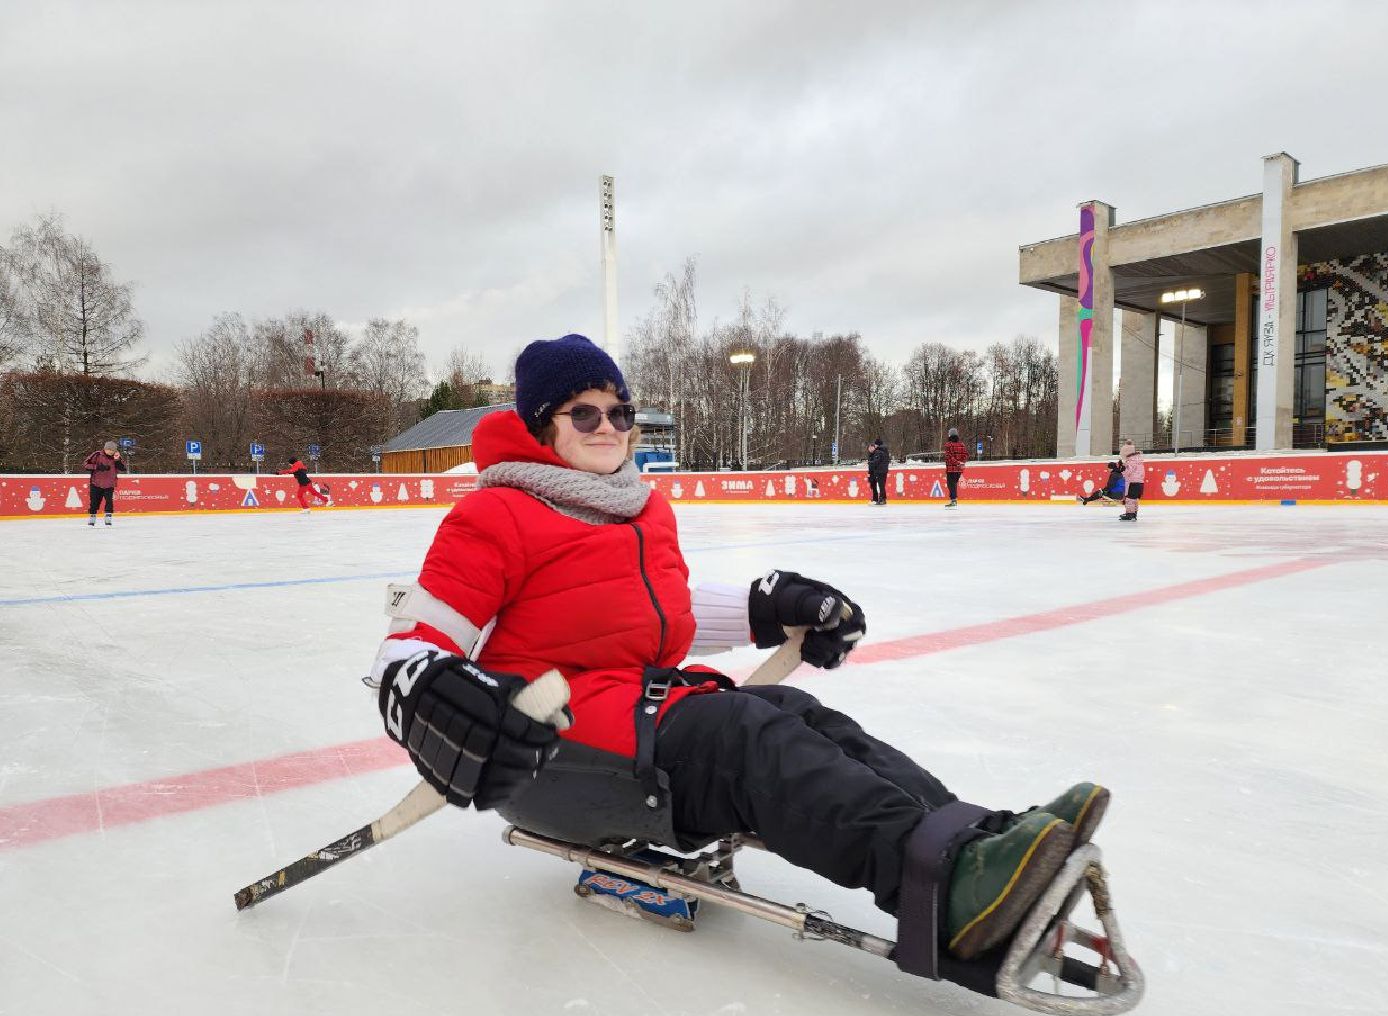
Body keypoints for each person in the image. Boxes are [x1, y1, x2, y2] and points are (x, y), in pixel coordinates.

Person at [369, 333, 1108, 966]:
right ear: (540, 426)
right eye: (583, 412)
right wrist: (435, 692)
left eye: (618, 411)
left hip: (635, 709)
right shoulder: (494, 514)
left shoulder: (639, 508)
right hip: (553, 751)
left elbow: (657, 614)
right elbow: (410, 647)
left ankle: (977, 844)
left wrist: (769, 606)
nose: (608, 426)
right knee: (741, 734)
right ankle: (944, 888)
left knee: (794, 710)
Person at [82, 440, 127, 526]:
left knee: (109, 502)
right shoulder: (97, 455)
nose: (110, 451)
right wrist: (97, 467)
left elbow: (123, 468)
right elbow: (85, 465)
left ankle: (108, 517)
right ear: (105, 449)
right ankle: (92, 516)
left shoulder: (116, 457)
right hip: (96, 483)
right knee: (94, 502)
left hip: (109, 484)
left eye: (112, 450)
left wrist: (117, 460)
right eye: (109, 449)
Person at [1118, 439, 1146, 521]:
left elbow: (1128, 472)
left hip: (1133, 483)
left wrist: (1122, 470)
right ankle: (1134, 513)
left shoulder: (1131, 461)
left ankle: (1130, 514)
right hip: (1140, 483)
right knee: (1134, 500)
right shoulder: (1138, 460)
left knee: (1130, 499)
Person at [942, 428, 967, 507]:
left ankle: (953, 500)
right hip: (959, 469)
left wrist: (956, 463)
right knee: (954, 484)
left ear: (949, 435)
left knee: (951, 485)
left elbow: (948, 457)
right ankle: (954, 500)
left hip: (951, 469)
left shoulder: (948, 445)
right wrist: (961, 462)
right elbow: (966, 455)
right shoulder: (961, 445)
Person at [866, 438, 890, 505]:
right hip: (877, 470)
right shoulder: (876, 452)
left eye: (874, 445)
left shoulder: (879, 451)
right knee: (875, 485)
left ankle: (882, 499)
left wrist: (869, 463)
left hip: (880, 471)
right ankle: (877, 498)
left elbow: (877, 461)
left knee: (881, 485)